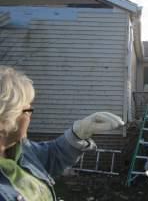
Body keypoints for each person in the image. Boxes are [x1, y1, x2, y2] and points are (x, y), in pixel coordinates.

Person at [0, 66, 124, 201]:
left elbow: (51, 156)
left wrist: (77, 134)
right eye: (27, 110)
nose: (31, 116)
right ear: (4, 119)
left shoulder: (19, 149)